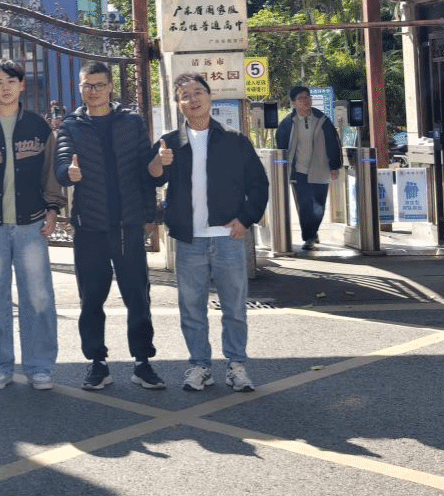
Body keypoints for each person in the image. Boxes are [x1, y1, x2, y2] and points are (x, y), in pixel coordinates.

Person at [151, 73, 269, 392]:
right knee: (192, 309)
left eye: (198, 92)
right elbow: (150, 179)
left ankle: (236, 366)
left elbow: (259, 185)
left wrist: (245, 220)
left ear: (210, 96)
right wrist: (159, 163)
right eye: (185, 95)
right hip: (189, 240)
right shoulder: (169, 142)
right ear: (178, 104)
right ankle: (200, 365)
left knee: (234, 308)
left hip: (228, 238)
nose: (193, 99)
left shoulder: (234, 140)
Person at [54, 61, 165, 391]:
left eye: (99, 85)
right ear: (80, 88)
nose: (93, 91)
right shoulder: (72, 125)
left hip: (128, 225)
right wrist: (68, 173)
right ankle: (97, 363)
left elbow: (146, 171)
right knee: (91, 299)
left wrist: (149, 216)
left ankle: (142, 362)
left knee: (138, 297)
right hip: (90, 226)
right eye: (87, 85)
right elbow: (62, 163)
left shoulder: (131, 122)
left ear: (110, 87)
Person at [0, 59, 65, 391]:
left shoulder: (38, 126)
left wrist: (52, 209)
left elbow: (50, 172)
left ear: (22, 85)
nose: (5, 88)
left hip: (31, 224)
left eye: (11, 81)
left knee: (38, 297)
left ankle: (40, 366)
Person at [275, 85, 343, 250]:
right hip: (298, 171)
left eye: (308, 97)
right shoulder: (287, 124)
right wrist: (283, 169)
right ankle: (309, 237)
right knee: (304, 206)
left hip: (320, 169)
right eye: (301, 98)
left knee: (319, 206)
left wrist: (334, 166)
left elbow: (333, 144)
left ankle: (313, 231)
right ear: (293, 103)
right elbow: (280, 147)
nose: (306, 101)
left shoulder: (323, 120)